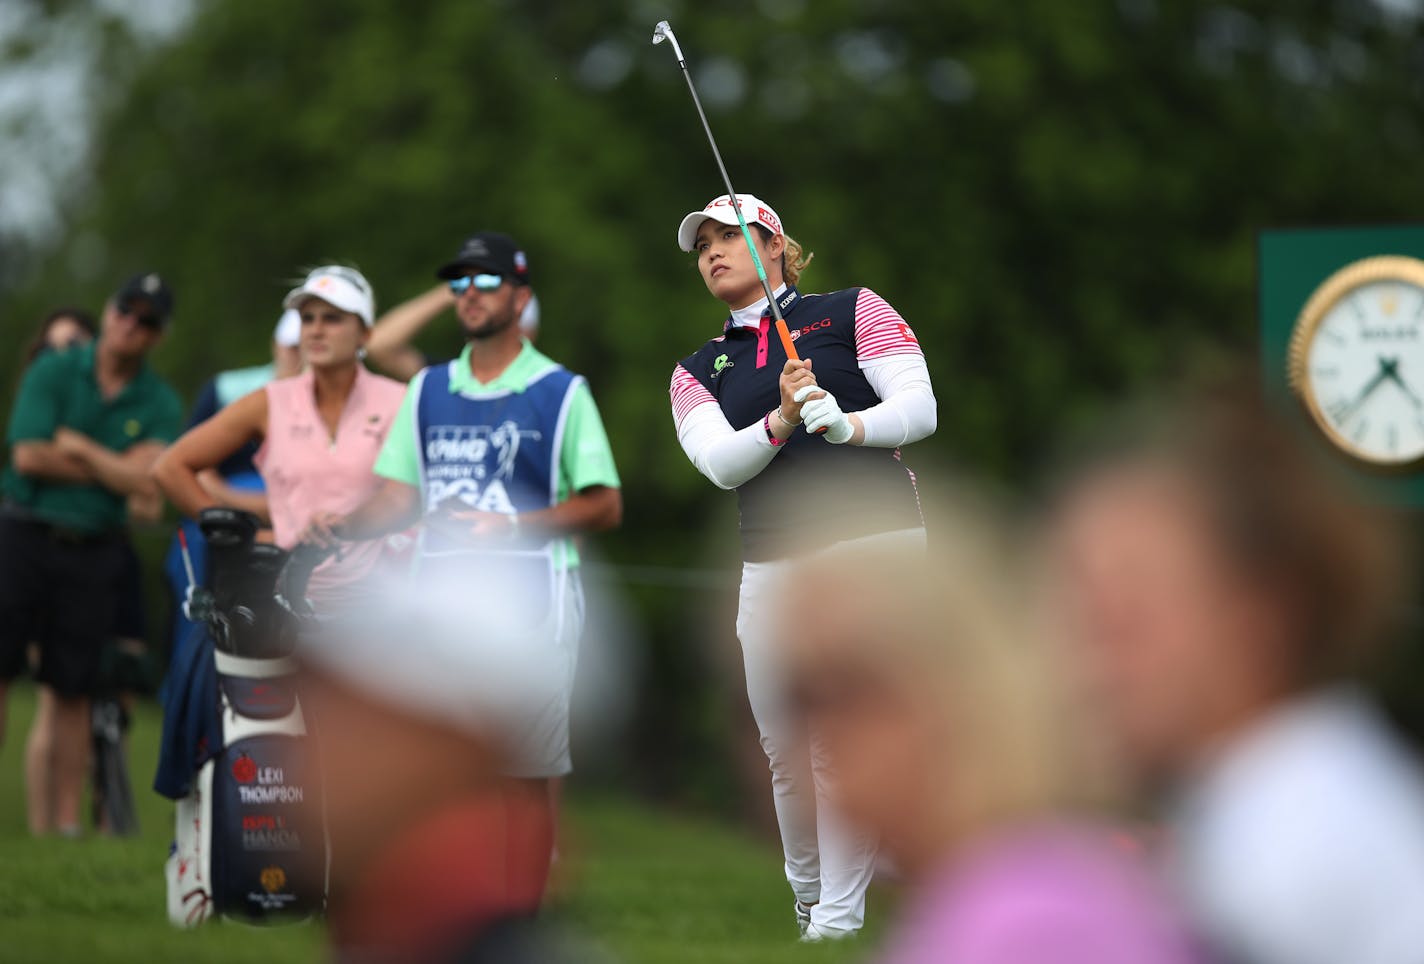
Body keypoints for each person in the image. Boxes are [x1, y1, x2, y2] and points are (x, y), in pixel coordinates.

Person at [1048, 387, 1424, 964]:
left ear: (1260, 617)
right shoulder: (1305, 798)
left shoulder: (1282, 852)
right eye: (1076, 616)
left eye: (1125, 618)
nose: (1087, 666)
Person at [301, 231, 622, 907]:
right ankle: (445, 915)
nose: (469, 295)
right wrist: (346, 524)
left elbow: (603, 504)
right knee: (436, 775)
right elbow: (400, 495)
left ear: (520, 295)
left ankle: (520, 922)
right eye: (460, 283)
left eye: (486, 281)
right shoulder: (427, 389)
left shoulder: (561, 391)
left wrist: (507, 526)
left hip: (534, 603)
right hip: (432, 607)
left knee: (525, 778)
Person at [667, 193, 937, 940]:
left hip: (870, 541)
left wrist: (849, 425)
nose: (713, 251)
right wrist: (781, 421)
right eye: (704, 244)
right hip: (771, 556)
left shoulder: (852, 311)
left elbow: (919, 408)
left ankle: (838, 921)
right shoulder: (698, 368)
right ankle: (809, 900)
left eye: (731, 236)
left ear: (776, 245)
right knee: (782, 745)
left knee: (836, 738)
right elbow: (721, 465)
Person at [777, 499, 1205, 964]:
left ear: (952, 695)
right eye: (802, 697)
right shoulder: (983, 896)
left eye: (846, 692)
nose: (821, 732)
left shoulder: (1027, 925)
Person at [0, 272, 184, 836]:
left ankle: (62, 826)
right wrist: (115, 469)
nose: (131, 323)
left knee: (75, 686)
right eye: (127, 309)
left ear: (158, 335)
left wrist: (78, 446)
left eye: (146, 319)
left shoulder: (160, 400)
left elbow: (148, 484)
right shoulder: (54, 369)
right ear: (109, 310)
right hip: (24, 533)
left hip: (95, 550)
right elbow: (28, 456)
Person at [153, 267, 407, 613]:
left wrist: (349, 524)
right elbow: (170, 467)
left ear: (365, 333)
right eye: (307, 318)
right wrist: (236, 535)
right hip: (283, 605)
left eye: (332, 318)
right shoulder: (270, 401)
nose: (316, 329)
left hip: (378, 606)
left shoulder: (402, 400)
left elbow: (405, 497)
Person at [160, 309, 304, 671]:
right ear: (276, 346)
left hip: (294, 528)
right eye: (292, 347)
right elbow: (189, 468)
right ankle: (192, 671)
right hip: (223, 520)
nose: (299, 355)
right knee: (198, 555)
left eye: (306, 348)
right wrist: (246, 509)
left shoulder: (339, 407)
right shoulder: (230, 389)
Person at [365, 280, 541, 381]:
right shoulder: (451, 380)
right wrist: (452, 291)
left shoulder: (548, 387)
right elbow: (377, 345)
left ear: (528, 335)